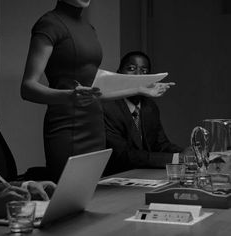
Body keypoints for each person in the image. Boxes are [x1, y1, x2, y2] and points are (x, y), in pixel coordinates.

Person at [20, 0, 174, 182]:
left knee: (93, 197)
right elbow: (27, 87)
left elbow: (95, 95)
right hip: (67, 127)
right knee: (68, 198)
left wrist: (139, 89)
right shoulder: (50, 24)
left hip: (94, 127)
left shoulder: (89, 28)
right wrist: (69, 97)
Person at [102, 51, 184, 176]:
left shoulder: (149, 106)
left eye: (144, 71)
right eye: (131, 69)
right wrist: (176, 159)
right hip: (114, 179)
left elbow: (161, 144)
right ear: (119, 73)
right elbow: (123, 155)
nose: (138, 75)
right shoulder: (108, 108)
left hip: (143, 176)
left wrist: (186, 154)